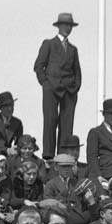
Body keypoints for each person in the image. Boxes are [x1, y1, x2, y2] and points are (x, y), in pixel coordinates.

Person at [33, 12, 81, 160]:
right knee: (50, 119)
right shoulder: (49, 43)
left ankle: (62, 155)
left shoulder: (73, 49)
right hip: (51, 88)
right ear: (59, 26)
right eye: (65, 25)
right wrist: (45, 84)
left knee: (66, 123)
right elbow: (38, 66)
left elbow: (77, 71)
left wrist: (76, 86)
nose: (68, 28)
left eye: (70, 25)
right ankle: (48, 155)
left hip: (69, 90)